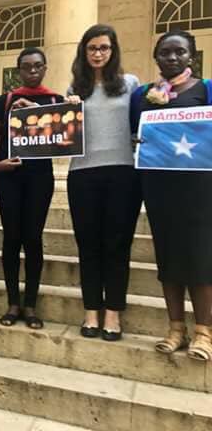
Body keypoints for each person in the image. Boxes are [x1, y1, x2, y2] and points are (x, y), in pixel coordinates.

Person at [130, 30, 212, 360]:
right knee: (168, 258)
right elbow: (134, 132)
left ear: (192, 56)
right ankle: (176, 328)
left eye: (180, 52)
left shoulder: (206, 90)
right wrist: (137, 141)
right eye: (165, 52)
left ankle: (204, 332)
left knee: (201, 258)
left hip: (199, 190)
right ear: (156, 57)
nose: (173, 57)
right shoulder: (143, 95)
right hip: (159, 188)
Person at [66, 24, 142, 341]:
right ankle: (91, 311)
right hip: (82, 174)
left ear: (113, 50)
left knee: (117, 245)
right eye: (92, 48)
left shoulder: (131, 84)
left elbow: (141, 126)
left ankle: (113, 313)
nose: (98, 54)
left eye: (104, 48)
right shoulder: (74, 89)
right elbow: (61, 132)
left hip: (123, 173)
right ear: (84, 52)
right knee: (88, 245)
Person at [0, 48, 65, 329]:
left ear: (45, 68)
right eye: (26, 66)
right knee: (12, 237)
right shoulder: (6, 100)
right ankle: (12, 303)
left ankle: (30, 305)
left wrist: (38, 112)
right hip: (10, 177)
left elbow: (64, 140)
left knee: (33, 238)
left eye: (37, 66)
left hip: (40, 178)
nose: (32, 71)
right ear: (18, 70)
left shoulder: (56, 100)